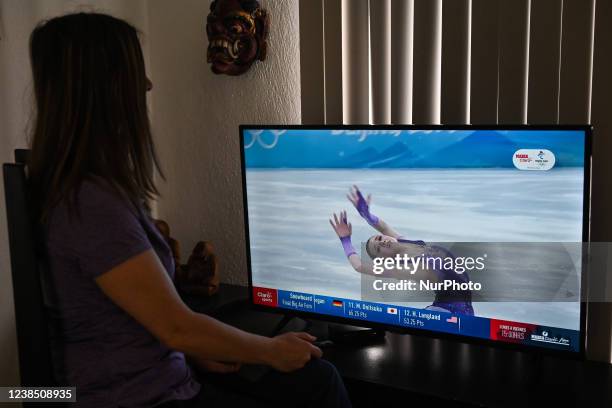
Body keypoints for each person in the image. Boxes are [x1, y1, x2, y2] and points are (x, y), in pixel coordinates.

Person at [27, 12, 351, 408]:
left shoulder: (87, 189)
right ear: (106, 89)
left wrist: (196, 349)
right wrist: (269, 350)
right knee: (318, 383)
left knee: (315, 379)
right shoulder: (90, 204)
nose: (148, 85)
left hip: (160, 375)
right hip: (139, 397)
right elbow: (176, 326)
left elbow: (155, 323)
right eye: (136, 74)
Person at [329, 186, 474, 316]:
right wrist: (346, 240)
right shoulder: (404, 268)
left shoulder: (404, 242)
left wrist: (366, 214)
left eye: (379, 239)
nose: (382, 243)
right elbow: (359, 266)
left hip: (463, 308)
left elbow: (383, 227)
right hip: (448, 313)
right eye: (378, 249)